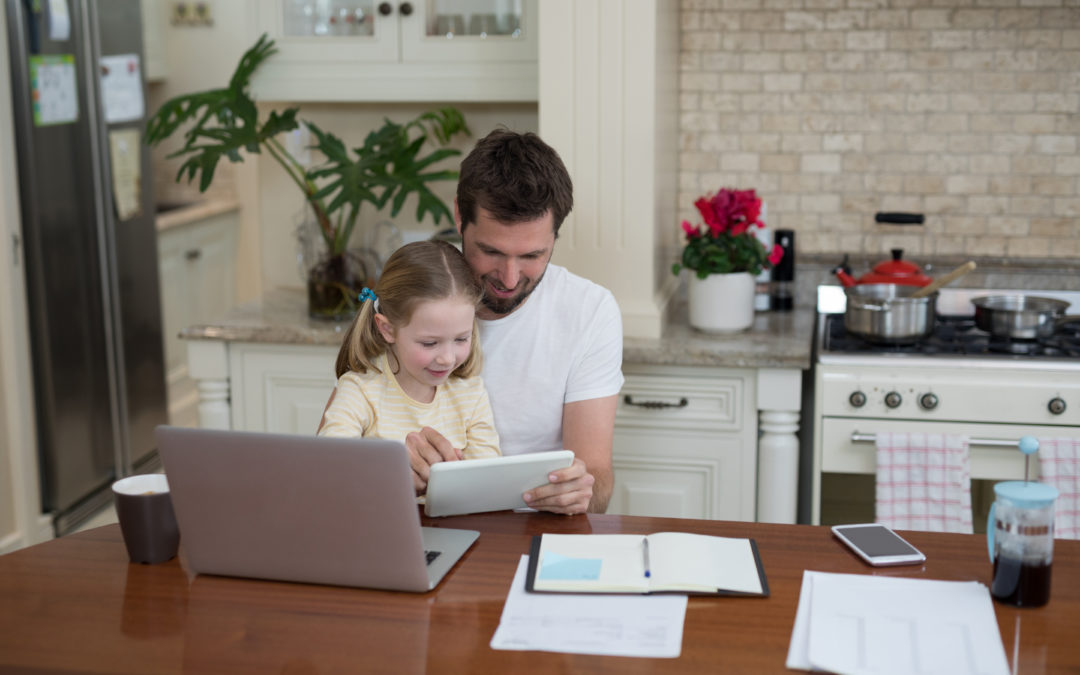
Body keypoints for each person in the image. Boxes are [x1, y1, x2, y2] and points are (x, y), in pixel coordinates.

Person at [406, 129, 624, 515]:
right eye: (491, 251)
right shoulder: (409, 293)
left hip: (532, 529)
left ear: (555, 234)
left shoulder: (589, 311)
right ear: (460, 215)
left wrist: (579, 490)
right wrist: (387, 457)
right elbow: (337, 450)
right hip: (419, 524)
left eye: (532, 255)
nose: (509, 278)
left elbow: (599, 482)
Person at [318, 240, 500, 492]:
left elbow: (489, 482)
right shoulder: (360, 391)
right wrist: (391, 475)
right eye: (429, 343)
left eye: (461, 338)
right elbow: (326, 470)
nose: (447, 358)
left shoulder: (471, 394)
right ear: (388, 329)